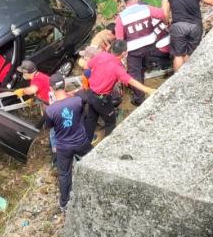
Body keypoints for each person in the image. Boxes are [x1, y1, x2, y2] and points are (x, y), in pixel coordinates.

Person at [84, 39, 156, 142]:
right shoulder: (118, 69)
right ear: (123, 53)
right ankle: (107, 146)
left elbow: (87, 66)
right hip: (102, 99)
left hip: (90, 93)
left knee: (91, 119)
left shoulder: (101, 55)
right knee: (110, 123)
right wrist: (148, 89)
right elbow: (131, 81)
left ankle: (87, 143)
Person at [42, 73, 92, 212]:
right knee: (94, 160)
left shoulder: (50, 110)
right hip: (81, 141)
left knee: (64, 174)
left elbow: (50, 126)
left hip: (63, 147)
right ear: (64, 84)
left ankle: (64, 203)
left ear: (51, 88)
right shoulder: (77, 100)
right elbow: (82, 113)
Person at [114, 0, 169, 106]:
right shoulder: (146, 8)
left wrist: (121, 56)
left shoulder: (121, 18)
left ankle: (139, 98)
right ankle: (142, 87)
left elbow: (119, 39)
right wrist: (165, 1)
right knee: (143, 68)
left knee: (135, 74)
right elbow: (162, 14)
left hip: (133, 51)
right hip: (150, 47)